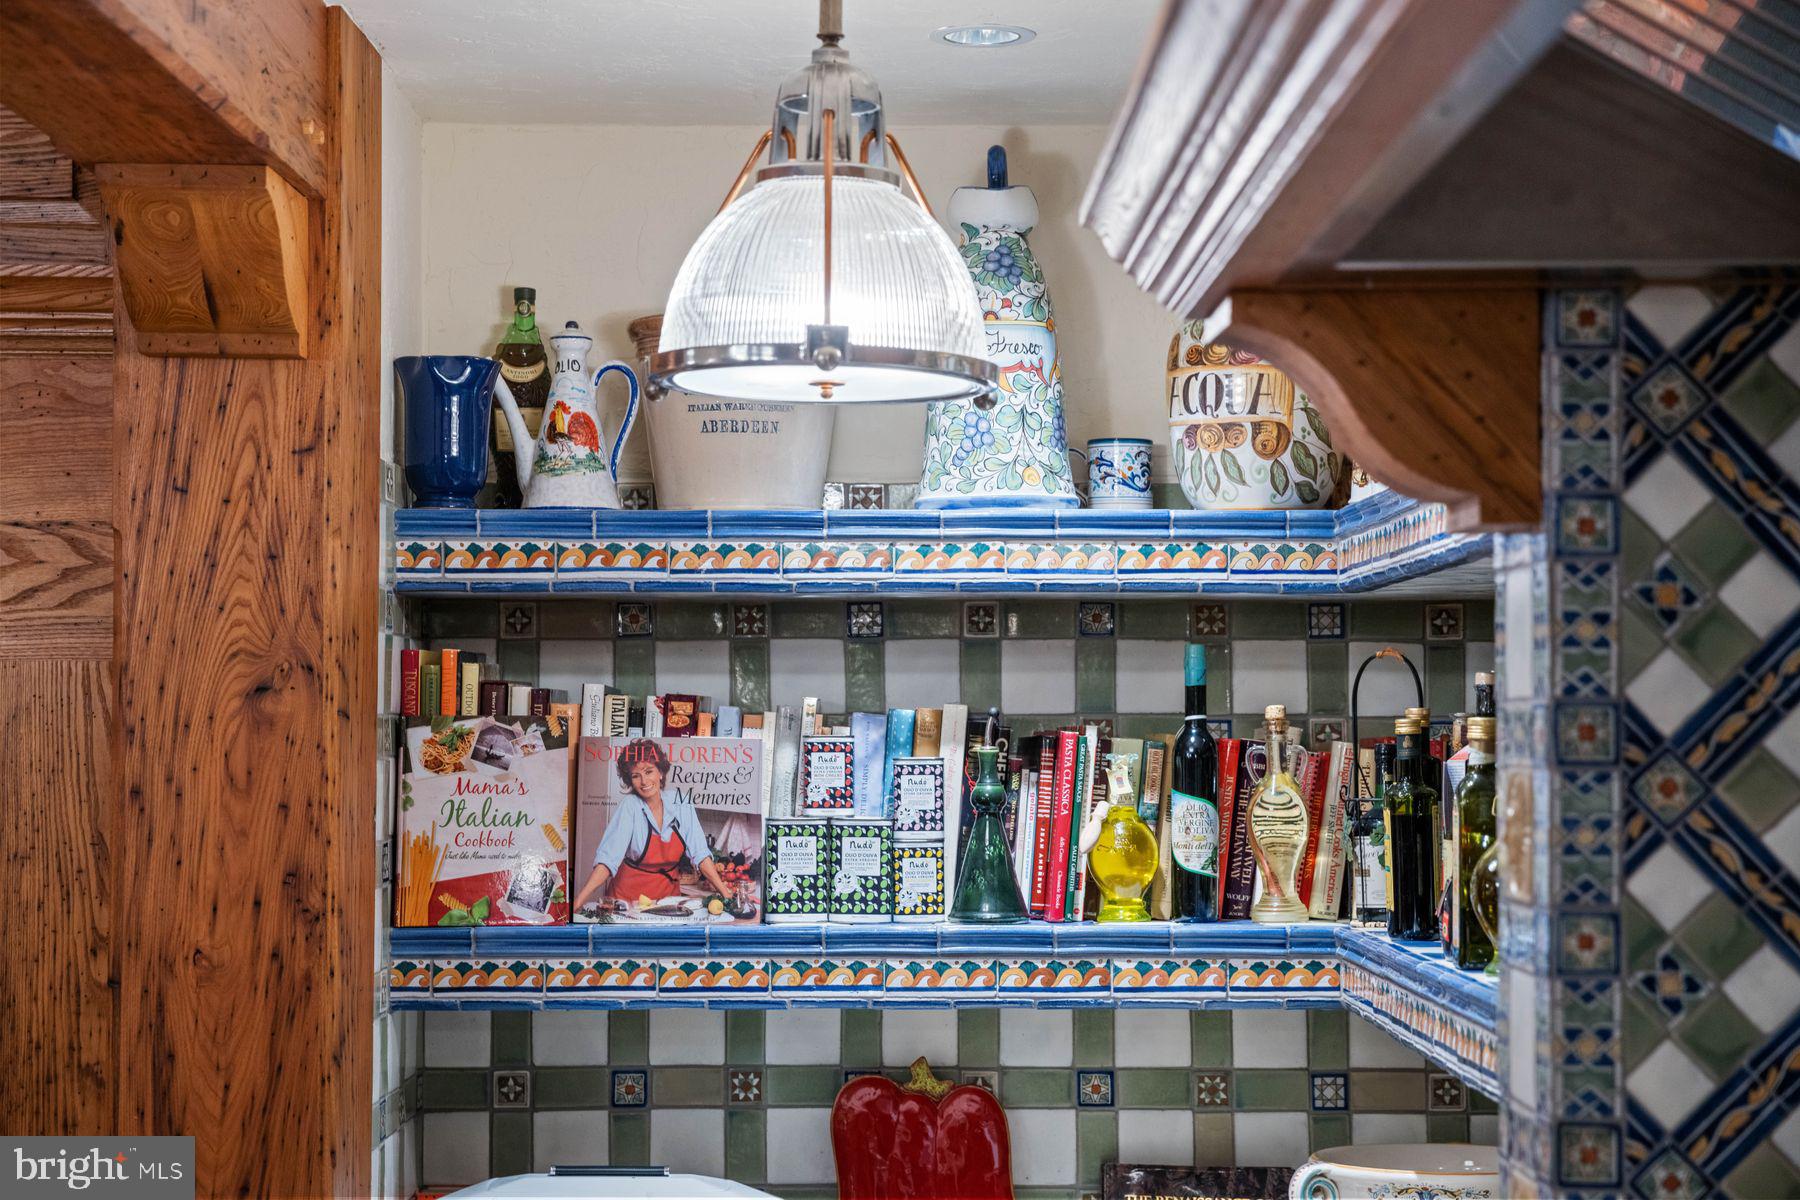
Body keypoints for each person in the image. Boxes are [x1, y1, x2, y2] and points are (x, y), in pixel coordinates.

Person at [571, 739, 731, 911]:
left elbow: (701, 855)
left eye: (649, 772)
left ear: (660, 772)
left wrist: (726, 894)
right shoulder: (630, 806)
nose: (644, 781)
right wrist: (578, 901)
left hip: (668, 900)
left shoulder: (681, 803)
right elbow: (607, 860)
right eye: (636, 776)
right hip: (627, 901)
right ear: (630, 780)